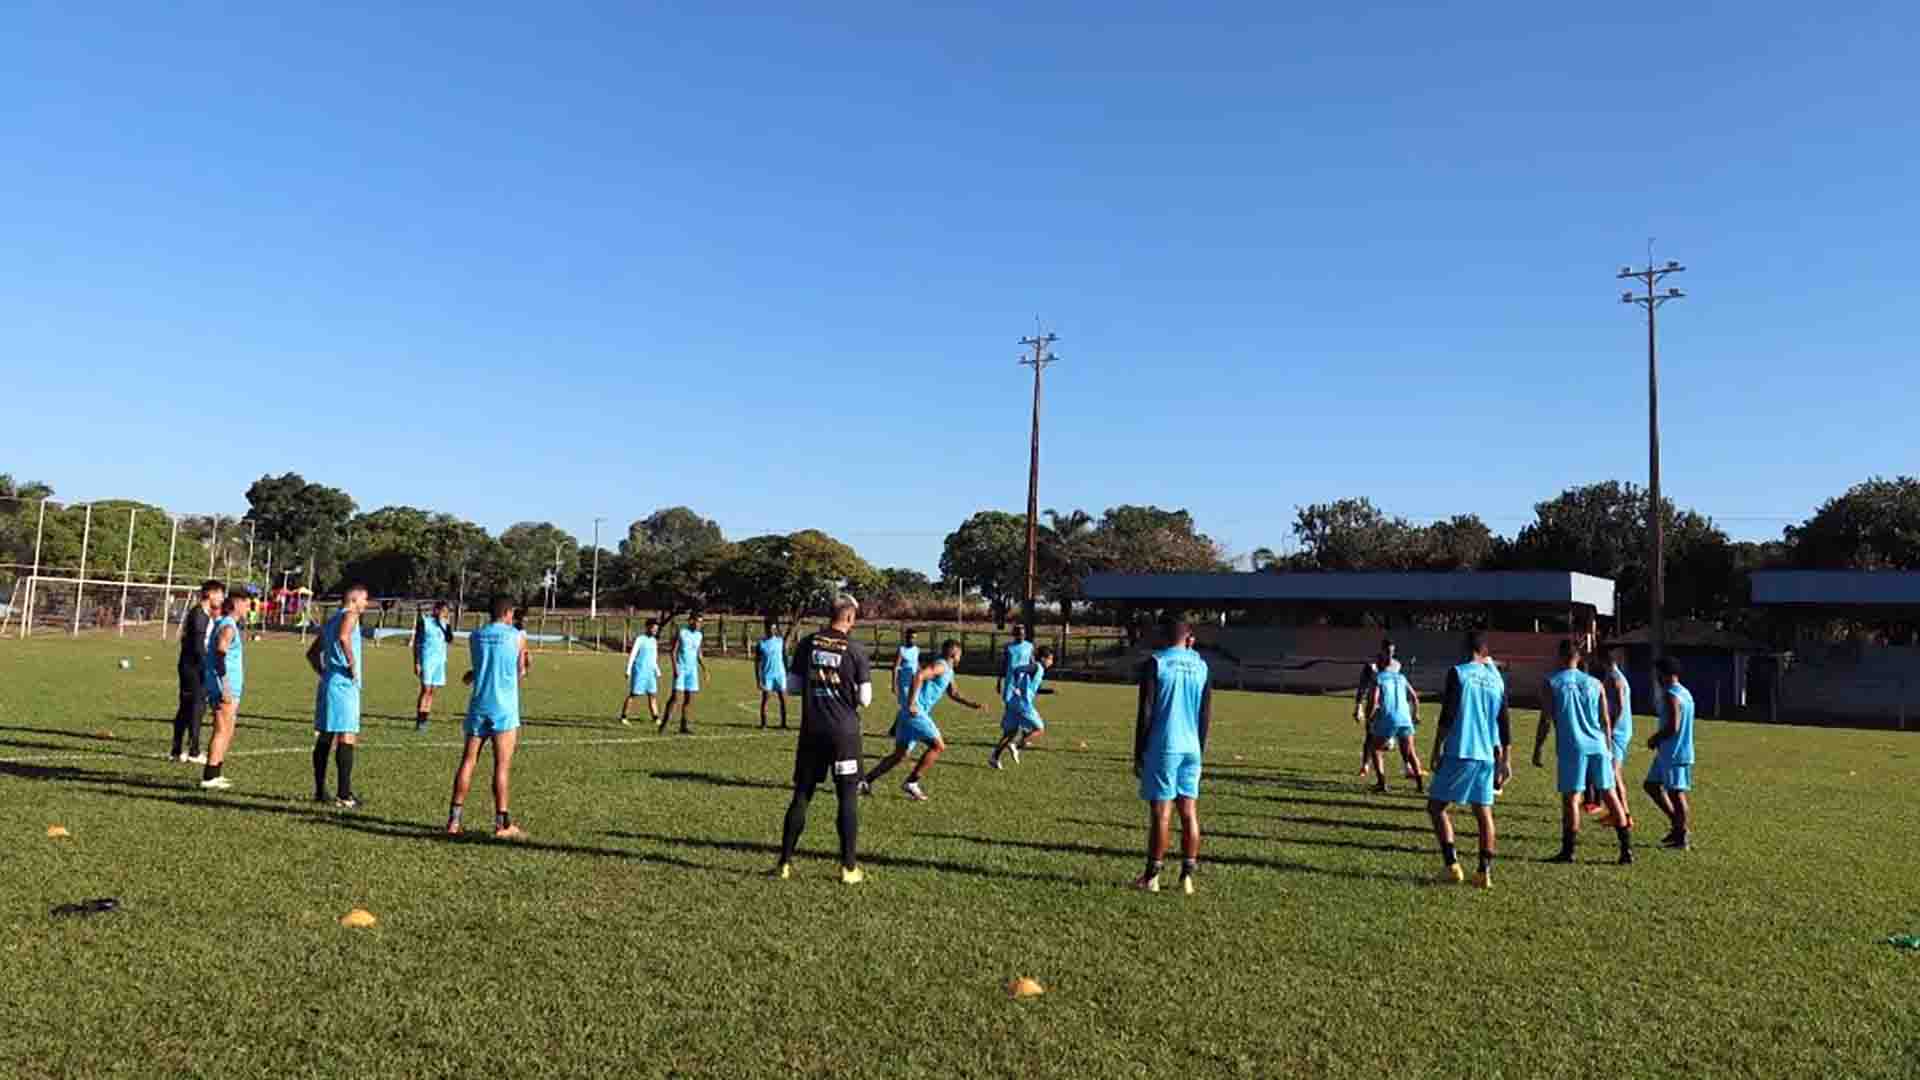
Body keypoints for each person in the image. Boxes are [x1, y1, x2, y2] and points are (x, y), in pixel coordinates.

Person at [772, 595, 873, 884]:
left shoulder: (807, 643)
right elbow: (865, 699)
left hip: (812, 731)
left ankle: (784, 863)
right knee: (847, 797)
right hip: (844, 734)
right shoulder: (855, 649)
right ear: (850, 618)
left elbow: (791, 687)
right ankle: (848, 868)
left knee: (802, 794)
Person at [1531, 639, 1634, 865]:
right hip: (1598, 745)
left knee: (1572, 798)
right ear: (1579, 658)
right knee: (1609, 794)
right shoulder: (1595, 683)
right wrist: (1607, 747)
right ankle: (1626, 849)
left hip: (1572, 747)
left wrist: (1538, 747)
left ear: (1559, 656)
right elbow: (1605, 720)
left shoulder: (1552, 682)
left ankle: (1568, 852)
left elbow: (1546, 719)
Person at [1425, 631, 1512, 888]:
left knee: (1436, 807)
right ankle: (1484, 872)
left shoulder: (1459, 673)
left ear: (1466, 648)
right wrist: (1505, 759)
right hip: (1487, 754)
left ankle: (1451, 865)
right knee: (1483, 811)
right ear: (1485, 651)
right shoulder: (1497, 680)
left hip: (1461, 751)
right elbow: (1504, 721)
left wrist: (1436, 748)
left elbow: (1448, 715)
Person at [1132, 619, 1211, 894]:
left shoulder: (1157, 663)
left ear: (1163, 636)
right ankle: (1187, 877)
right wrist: (1199, 748)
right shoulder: (1201, 666)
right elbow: (1204, 714)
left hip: (1164, 745)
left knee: (1161, 812)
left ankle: (1152, 876)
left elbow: (1146, 712)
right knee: (1189, 811)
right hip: (1192, 746)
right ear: (1188, 636)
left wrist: (1138, 753)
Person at [447, 595, 530, 839]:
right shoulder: (517, 636)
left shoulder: (475, 636)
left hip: (478, 706)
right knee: (501, 765)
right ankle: (502, 824)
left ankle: (453, 821)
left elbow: (482, 665)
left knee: (467, 761)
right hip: (504, 708)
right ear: (508, 613)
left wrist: (473, 675)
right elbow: (520, 671)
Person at [863, 639, 983, 801]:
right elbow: (919, 675)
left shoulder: (949, 671)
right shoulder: (941, 666)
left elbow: (953, 693)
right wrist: (912, 702)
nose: (961, 657)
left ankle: (865, 781)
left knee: (899, 755)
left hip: (909, 713)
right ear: (954, 654)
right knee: (938, 746)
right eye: (960, 654)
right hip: (915, 711)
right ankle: (912, 782)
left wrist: (973, 704)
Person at [307, 585, 370, 808]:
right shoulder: (350, 615)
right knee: (346, 736)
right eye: (365, 600)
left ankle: (320, 790)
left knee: (325, 736)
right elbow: (344, 637)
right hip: (343, 685)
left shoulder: (331, 621)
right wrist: (351, 663)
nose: (366, 605)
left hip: (329, 683)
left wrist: (324, 672)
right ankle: (344, 794)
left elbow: (312, 654)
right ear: (354, 600)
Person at [197, 590, 253, 790]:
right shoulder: (228, 626)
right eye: (247, 604)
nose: (249, 608)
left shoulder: (229, 625)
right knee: (222, 730)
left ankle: (216, 773)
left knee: (228, 730)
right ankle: (209, 776)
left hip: (230, 686)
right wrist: (225, 686)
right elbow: (221, 652)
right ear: (237, 604)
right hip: (224, 687)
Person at [1644, 657, 1697, 850]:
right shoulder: (1686, 693)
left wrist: (1655, 738)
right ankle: (1677, 825)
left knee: (1676, 793)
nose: (1655, 678)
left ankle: (1682, 836)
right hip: (1669, 752)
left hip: (1674, 752)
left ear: (1663, 674)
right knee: (1651, 785)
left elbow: (1673, 726)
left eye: (1657, 673)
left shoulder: (1671, 695)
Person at [170, 579, 224, 765]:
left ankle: (176, 750)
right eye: (220, 594)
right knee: (196, 708)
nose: (222, 598)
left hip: (188, 665)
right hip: (193, 667)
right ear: (210, 594)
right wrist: (206, 667)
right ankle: (193, 750)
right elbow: (198, 647)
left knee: (186, 707)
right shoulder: (199, 615)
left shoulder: (203, 614)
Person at [1366, 649, 1424, 793]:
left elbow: (1373, 701)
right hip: (1405, 718)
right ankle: (1420, 785)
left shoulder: (1378, 678)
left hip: (1388, 717)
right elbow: (1414, 697)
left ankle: (1381, 783)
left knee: (1376, 749)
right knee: (1411, 753)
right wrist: (1415, 713)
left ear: (1379, 664)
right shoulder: (1401, 677)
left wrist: (1369, 716)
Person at [991, 644, 1055, 769]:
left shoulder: (1039, 670)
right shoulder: (1036, 666)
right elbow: (1018, 670)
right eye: (1050, 659)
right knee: (1039, 729)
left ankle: (994, 757)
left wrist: (1050, 691)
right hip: (1023, 703)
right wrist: (1016, 687)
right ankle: (1015, 745)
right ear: (1043, 658)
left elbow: (1035, 689)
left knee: (1010, 732)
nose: (1051, 662)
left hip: (1014, 703)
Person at [1596, 649, 1635, 828]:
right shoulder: (1616, 675)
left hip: (1617, 732)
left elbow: (1618, 704)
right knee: (1613, 774)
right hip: (1619, 730)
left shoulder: (1613, 678)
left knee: (1614, 774)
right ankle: (1619, 813)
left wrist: (1610, 728)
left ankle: (1624, 815)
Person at [1354, 639, 1399, 778]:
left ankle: (1408, 767)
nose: (1390, 655)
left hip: (1390, 706)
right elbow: (1362, 687)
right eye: (1387, 652)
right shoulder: (1371, 666)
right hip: (1374, 705)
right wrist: (1358, 706)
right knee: (1370, 736)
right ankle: (1365, 765)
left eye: (1392, 652)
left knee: (1400, 736)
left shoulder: (1397, 665)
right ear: (1382, 651)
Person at [659, 614, 708, 734]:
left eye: (701, 623)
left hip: (692, 671)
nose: (699, 625)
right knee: (675, 697)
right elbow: (673, 651)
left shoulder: (699, 635)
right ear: (691, 621)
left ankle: (683, 726)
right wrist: (675, 668)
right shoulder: (682, 633)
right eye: (697, 622)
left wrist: (705, 669)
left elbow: (698, 653)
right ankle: (663, 725)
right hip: (681, 669)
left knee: (689, 699)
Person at [413, 600, 454, 732]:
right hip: (427, 660)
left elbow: (449, 639)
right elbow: (417, 643)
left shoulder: (444, 624)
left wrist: (447, 625)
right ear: (435, 610)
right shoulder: (425, 622)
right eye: (442, 611)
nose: (444, 614)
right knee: (425, 689)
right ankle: (420, 720)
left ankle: (426, 717)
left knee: (432, 691)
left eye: (446, 612)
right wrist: (417, 662)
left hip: (440, 661)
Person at [619, 619, 661, 726]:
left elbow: (654, 657)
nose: (655, 631)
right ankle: (624, 716)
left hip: (650, 672)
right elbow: (633, 654)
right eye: (653, 628)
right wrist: (628, 670)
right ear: (647, 627)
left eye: (656, 629)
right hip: (640, 670)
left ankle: (655, 717)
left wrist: (657, 670)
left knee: (652, 694)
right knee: (634, 694)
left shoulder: (654, 641)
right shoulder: (640, 639)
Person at [756, 619, 789, 730]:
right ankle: (764, 724)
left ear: (775, 630)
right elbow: (757, 663)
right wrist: (758, 679)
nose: (772, 631)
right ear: (766, 629)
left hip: (780, 674)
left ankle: (784, 724)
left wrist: (787, 673)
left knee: (783, 700)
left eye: (774, 629)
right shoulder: (761, 644)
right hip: (767, 675)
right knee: (766, 699)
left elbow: (785, 658)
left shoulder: (780, 641)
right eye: (770, 629)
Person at [997, 624, 1034, 701]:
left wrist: (1034, 679)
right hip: (1011, 681)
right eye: (1019, 634)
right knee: (1008, 702)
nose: (1021, 637)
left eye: (1023, 634)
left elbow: (1032, 664)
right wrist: (999, 681)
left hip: (1024, 681)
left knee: (1023, 704)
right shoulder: (1009, 647)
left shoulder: (1029, 646)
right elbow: (1004, 664)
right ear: (1014, 635)